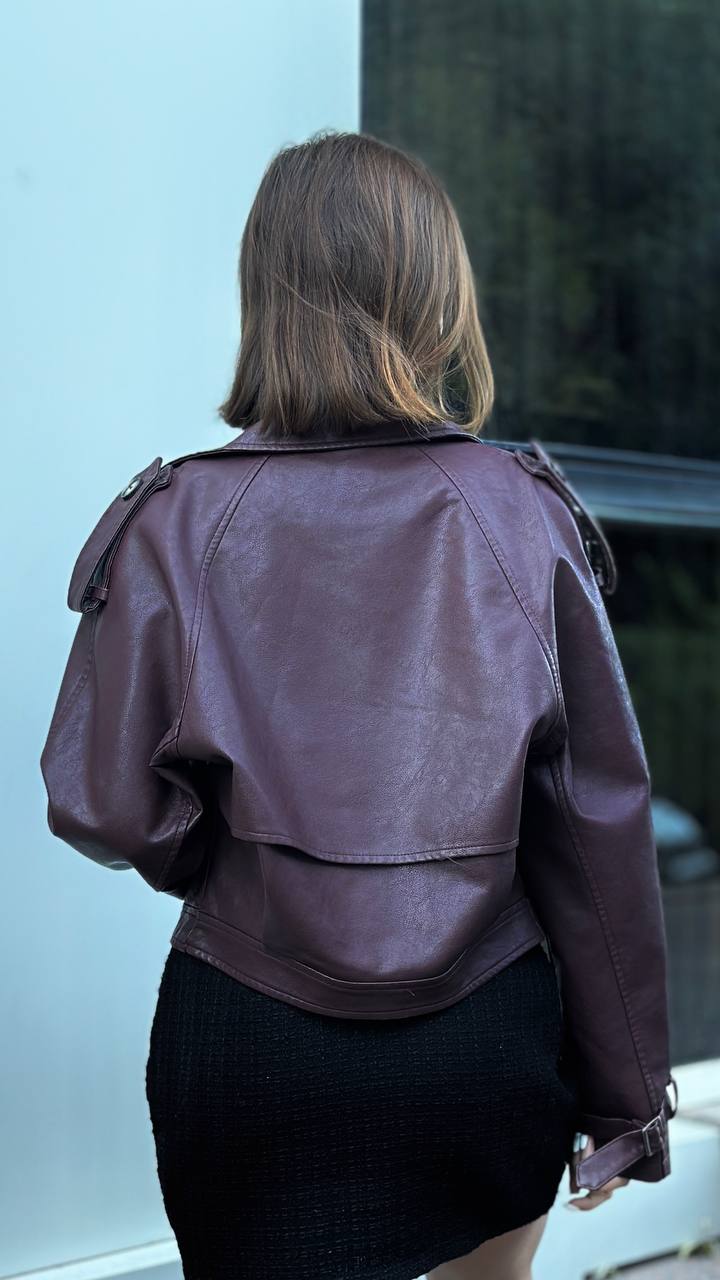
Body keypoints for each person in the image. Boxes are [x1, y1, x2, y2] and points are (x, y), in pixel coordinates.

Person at [39, 129, 676, 1280]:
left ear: (265, 295)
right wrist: (628, 1098)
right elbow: (595, 829)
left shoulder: (174, 516)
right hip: (483, 1036)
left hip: (252, 1035)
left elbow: (104, 801)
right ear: (437, 296)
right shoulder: (521, 511)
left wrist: (247, 861)